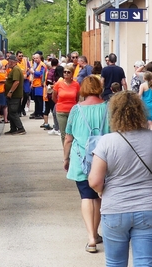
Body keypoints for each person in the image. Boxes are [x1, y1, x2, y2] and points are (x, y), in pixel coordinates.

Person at [88, 91, 152, 267]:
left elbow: (95, 180)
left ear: (114, 114)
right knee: (145, 262)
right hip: (149, 206)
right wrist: (149, 174)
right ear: (140, 112)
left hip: (115, 207)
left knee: (115, 263)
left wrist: (101, 191)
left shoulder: (107, 141)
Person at [63, 76, 109, 253]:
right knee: (97, 197)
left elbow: (68, 138)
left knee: (86, 196)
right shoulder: (108, 108)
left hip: (80, 158)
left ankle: (91, 239)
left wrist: (66, 159)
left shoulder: (76, 110)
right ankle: (96, 234)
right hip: (103, 159)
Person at [53, 64, 81, 143]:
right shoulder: (58, 84)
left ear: (72, 74)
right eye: (64, 72)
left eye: (68, 72)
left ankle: (73, 149)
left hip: (72, 111)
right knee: (64, 133)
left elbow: (77, 98)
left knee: (73, 132)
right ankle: (66, 149)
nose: (66, 74)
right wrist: (59, 103)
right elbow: (54, 97)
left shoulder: (76, 85)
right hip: (61, 111)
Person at [4, 54, 26, 135]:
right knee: (11, 112)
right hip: (13, 95)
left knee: (13, 112)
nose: (8, 63)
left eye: (8, 62)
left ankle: (20, 128)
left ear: (12, 62)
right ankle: (13, 129)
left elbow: (16, 82)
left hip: (15, 95)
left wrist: (10, 92)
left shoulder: (16, 69)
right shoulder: (14, 69)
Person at [29, 53, 47, 119]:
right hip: (35, 84)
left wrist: (33, 72)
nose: (35, 59)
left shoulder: (42, 65)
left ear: (40, 58)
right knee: (36, 100)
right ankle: (36, 113)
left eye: (37, 58)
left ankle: (40, 113)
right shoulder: (36, 65)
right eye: (34, 58)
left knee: (39, 100)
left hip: (40, 85)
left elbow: (41, 74)